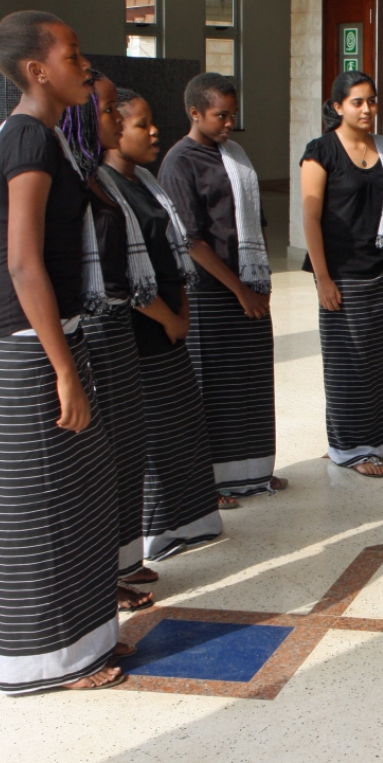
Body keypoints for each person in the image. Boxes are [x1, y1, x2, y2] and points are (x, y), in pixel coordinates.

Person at [0, 11, 132, 692]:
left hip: (45, 332)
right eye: (73, 52)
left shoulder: (45, 137)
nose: (84, 66)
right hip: (22, 342)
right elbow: (23, 264)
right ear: (37, 70)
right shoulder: (28, 142)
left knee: (74, 494)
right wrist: (64, 369)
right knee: (38, 506)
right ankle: (44, 664)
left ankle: (78, 646)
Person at [105, 88, 224, 561]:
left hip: (172, 324)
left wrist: (182, 314)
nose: (153, 131)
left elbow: (172, 255)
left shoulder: (144, 181)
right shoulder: (107, 190)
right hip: (143, 331)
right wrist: (168, 317)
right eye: (141, 124)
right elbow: (122, 275)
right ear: (114, 131)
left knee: (180, 430)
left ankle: (188, 523)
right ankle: (154, 534)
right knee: (152, 438)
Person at [159, 73, 285, 499]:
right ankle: (208, 483)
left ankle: (252, 472)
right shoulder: (180, 161)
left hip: (249, 286)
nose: (229, 123)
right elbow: (190, 239)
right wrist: (239, 291)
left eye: (233, 114)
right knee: (213, 387)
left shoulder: (236, 155)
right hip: (212, 293)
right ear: (195, 113)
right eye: (220, 115)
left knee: (249, 383)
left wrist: (262, 282)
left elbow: (257, 221)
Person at [58, 73, 156, 611]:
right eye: (110, 110)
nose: (117, 121)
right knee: (101, 455)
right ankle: (103, 576)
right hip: (93, 325)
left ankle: (121, 560)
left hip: (115, 324)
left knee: (124, 447)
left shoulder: (98, 174)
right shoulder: (69, 172)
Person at [300, 71, 383, 476]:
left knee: (377, 361)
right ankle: (348, 448)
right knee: (346, 362)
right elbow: (311, 219)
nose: (367, 109)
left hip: (378, 270)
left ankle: (373, 439)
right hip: (341, 275)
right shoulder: (321, 151)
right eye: (358, 102)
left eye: (372, 101)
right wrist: (322, 278)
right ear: (337, 107)